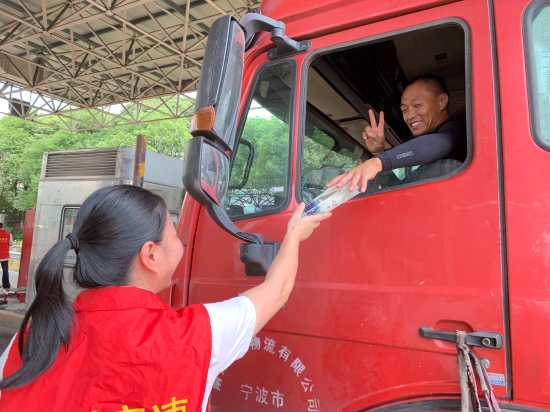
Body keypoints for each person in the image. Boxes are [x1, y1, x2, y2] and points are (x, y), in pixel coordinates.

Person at [0, 185, 330, 411]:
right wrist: (294, 234)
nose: (180, 241)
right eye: (173, 232)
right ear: (151, 255)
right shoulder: (195, 336)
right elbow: (277, 290)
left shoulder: (31, 337)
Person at [328, 74, 466, 192]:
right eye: (405, 110)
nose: (410, 115)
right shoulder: (435, 156)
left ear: (442, 101)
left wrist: (378, 162)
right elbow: (403, 185)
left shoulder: (458, 128)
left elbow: (443, 142)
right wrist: (378, 153)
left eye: (417, 105)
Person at [0, 223, 13, 295]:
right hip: (4, 256)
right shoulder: (8, 234)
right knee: (5, 271)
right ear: (3, 227)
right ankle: (6, 286)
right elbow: (11, 243)